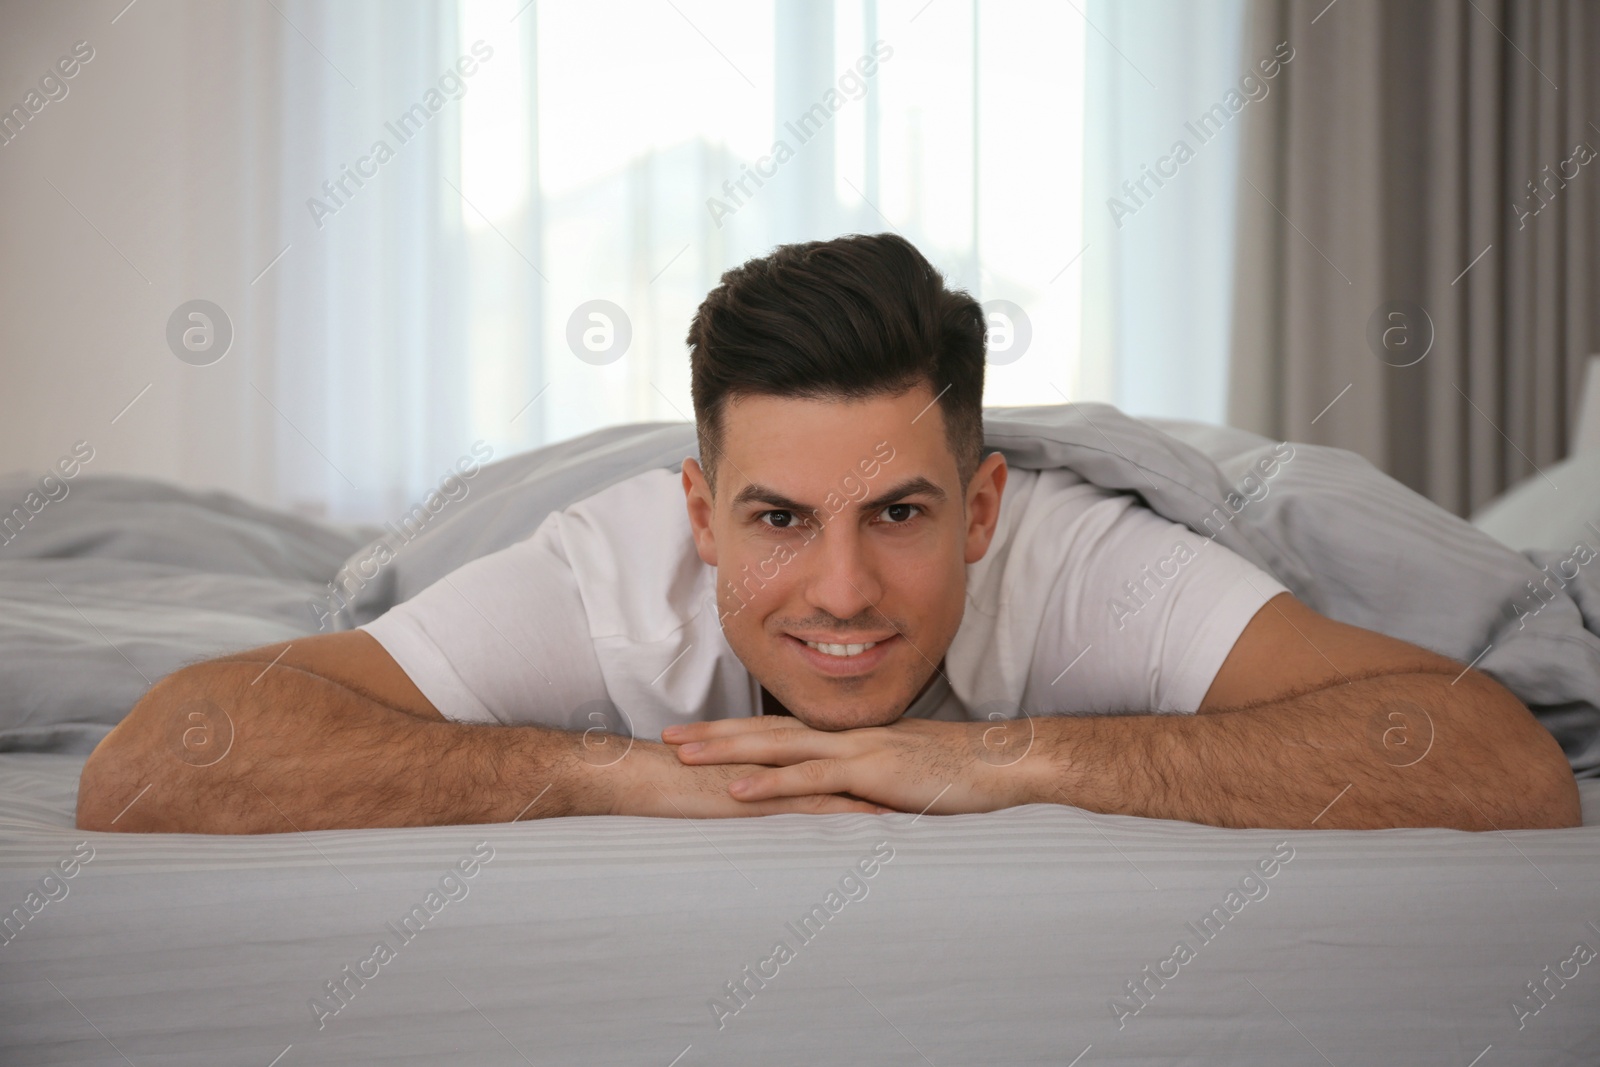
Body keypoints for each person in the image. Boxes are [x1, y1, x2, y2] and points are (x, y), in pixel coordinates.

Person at [76, 233, 1579, 834]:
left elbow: (1501, 758)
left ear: (983, 510)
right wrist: (600, 772)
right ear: (698, 516)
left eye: (903, 515)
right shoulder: (608, 578)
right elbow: (157, 759)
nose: (844, 593)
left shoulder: (1087, 572)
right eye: (779, 521)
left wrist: (1005, 753)